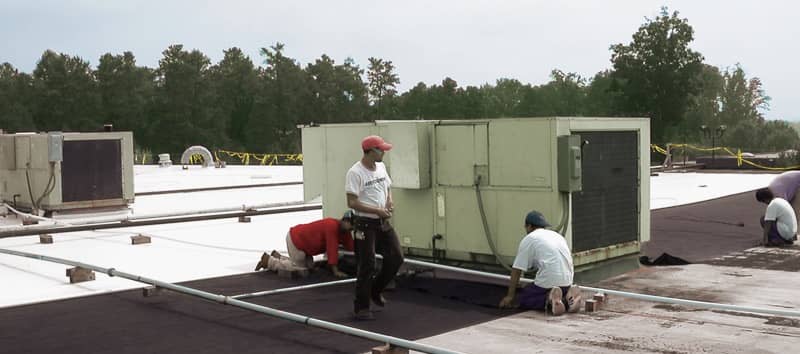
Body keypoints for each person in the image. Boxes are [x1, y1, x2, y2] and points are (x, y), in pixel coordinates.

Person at [345, 135, 405, 321]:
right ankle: (361, 307)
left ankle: (375, 290)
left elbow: (388, 187)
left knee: (396, 257)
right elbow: (352, 202)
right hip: (365, 223)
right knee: (367, 264)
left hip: (382, 221)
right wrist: (377, 211)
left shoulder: (381, 167)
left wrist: (389, 203)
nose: (384, 153)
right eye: (381, 150)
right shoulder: (355, 173)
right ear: (370, 151)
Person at [499, 210, 581, 315]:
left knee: (524, 298)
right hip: (568, 280)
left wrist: (510, 296)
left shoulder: (529, 238)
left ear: (529, 226)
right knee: (554, 288)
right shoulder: (557, 235)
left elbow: (516, 270)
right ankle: (567, 297)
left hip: (550, 280)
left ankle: (550, 300)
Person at [254, 211, 355, 277]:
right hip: (296, 240)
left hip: (304, 246)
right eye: (351, 225)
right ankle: (270, 262)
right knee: (300, 271)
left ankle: (279, 257)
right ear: (344, 221)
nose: (352, 228)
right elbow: (332, 248)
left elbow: (351, 246)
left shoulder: (345, 232)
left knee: (310, 267)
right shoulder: (331, 226)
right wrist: (336, 271)